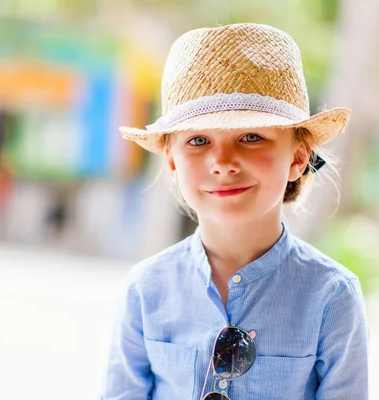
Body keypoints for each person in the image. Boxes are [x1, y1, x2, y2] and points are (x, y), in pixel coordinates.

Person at [100, 23, 368, 400]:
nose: (223, 161)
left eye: (251, 137)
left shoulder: (331, 296)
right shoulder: (147, 289)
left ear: (297, 157)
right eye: (198, 140)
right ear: (173, 164)